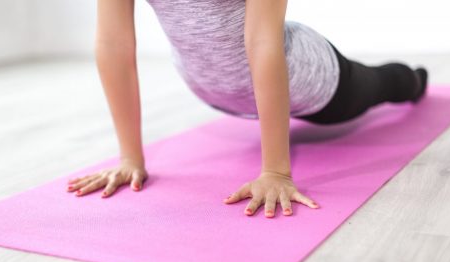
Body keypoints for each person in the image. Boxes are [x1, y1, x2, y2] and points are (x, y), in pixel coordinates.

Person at [66, 0, 428, 218]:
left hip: (308, 77)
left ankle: (412, 80)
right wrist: (131, 158)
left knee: (381, 84)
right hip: (215, 88)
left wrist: (276, 172)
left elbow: (263, 42)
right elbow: (114, 45)